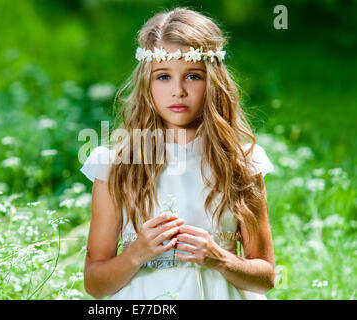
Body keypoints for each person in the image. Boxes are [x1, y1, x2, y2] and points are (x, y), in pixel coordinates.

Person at [79, 7, 276, 300]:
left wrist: (220, 259)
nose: (178, 91)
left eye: (193, 76)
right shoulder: (115, 164)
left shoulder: (241, 162)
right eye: (163, 77)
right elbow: (95, 284)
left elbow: (265, 278)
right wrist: (137, 253)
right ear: (147, 83)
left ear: (213, 82)